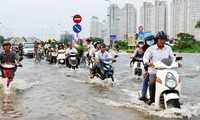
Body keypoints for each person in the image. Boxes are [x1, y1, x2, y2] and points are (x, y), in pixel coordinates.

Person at [143, 31, 181, 105]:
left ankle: (178, 98)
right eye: (160, 39)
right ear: (157, 39)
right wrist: (148, 63)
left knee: (177, 80)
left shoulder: (168, 48)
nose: (162, 41)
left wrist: (176, 63)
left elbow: (172, 58)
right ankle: (151, 99)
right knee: (151, 83)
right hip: (154, 70)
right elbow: (145, 58)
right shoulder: (151, 48)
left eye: (164, 39)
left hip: (166, 70)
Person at [138, 32, 156, 101]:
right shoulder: (145, 48)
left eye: (151, 39)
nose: (150, 41)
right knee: (146, 78)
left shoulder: (158, 46)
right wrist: (146, 70)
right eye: (148, 40)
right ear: (145, 41)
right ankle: (143, 94)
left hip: (162, 68)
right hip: (151, 68)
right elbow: (145, 60)